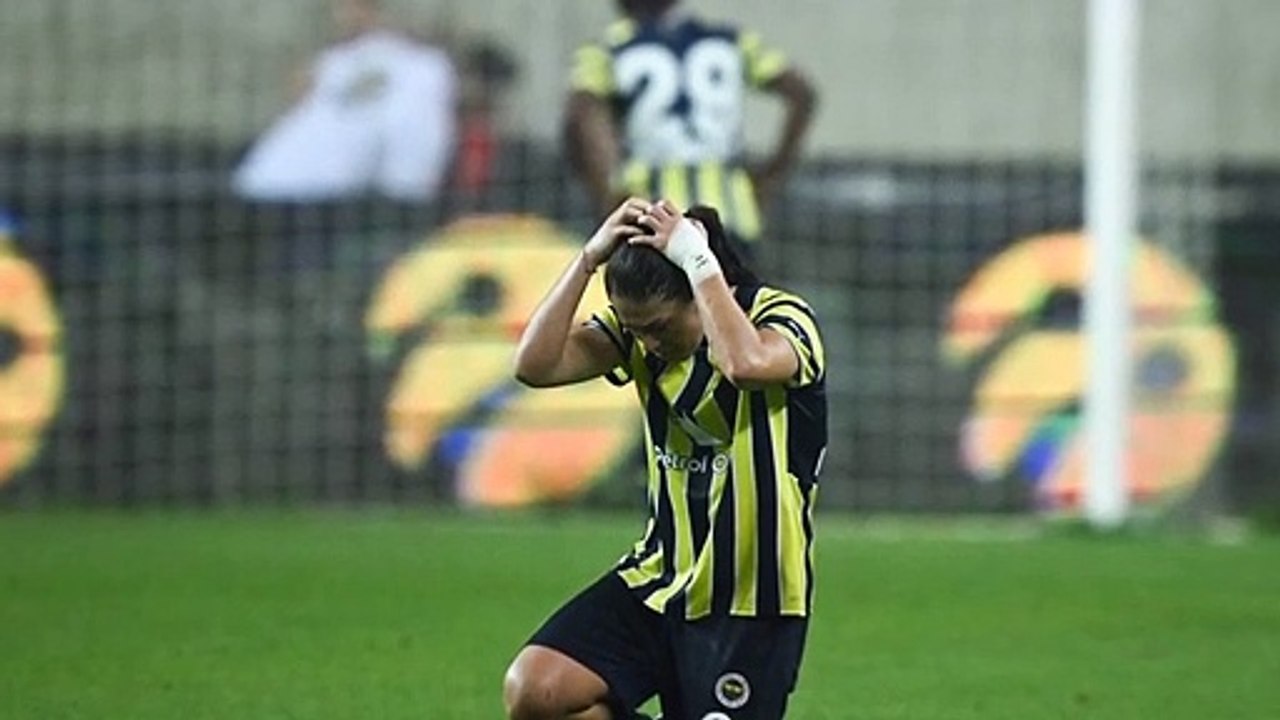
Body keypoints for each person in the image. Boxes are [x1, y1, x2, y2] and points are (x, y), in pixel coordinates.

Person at [504, 197, 828, 720]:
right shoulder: (641, 335)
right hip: (659, 575)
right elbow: (534, 365)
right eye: (635, 331)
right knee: (536, 690)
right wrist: (589, 258)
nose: (647, 345)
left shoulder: (782, 316)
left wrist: (700, 263)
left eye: (657, 326)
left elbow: (743, 364)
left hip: (749, 594)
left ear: (695, 294)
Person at [566, 0, 817, 256]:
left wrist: (606, 191)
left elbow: (580, 115)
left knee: (653, 296)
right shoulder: (731, 41)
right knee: (729, 295)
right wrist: (773, 173)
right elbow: (802, 92)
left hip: (650, 216)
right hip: (729, 215)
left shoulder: (606, 51)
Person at [232, 0, 457, 203]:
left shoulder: (421, 66)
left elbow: (413, 140)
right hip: (277, 189)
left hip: (328, 200)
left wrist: (404, 196)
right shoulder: (332, 63)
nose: (342, 14)